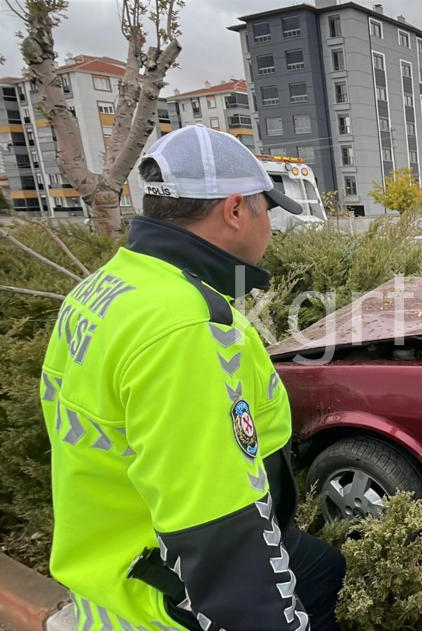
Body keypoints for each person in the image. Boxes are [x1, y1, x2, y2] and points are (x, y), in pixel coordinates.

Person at [40, 125, 344, 631]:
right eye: (265, 208)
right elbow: (221, 531)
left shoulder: (108, 286)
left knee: (321, 568)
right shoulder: (188, 329)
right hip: (162, 593)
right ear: (233, 211)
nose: (268, 224)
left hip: (109, 559)